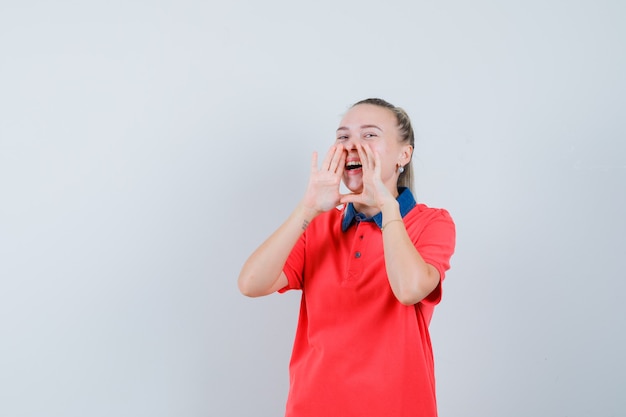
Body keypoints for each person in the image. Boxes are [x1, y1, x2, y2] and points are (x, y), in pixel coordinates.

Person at [237, 98, 456, 417]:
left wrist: (387, 207)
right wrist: (308, 208)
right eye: (343, 137)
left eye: (369, 135)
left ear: (403, 155)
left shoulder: (431, 223)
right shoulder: (318, 226)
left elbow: (409, 289)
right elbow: (250, 283)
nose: (353, 145)